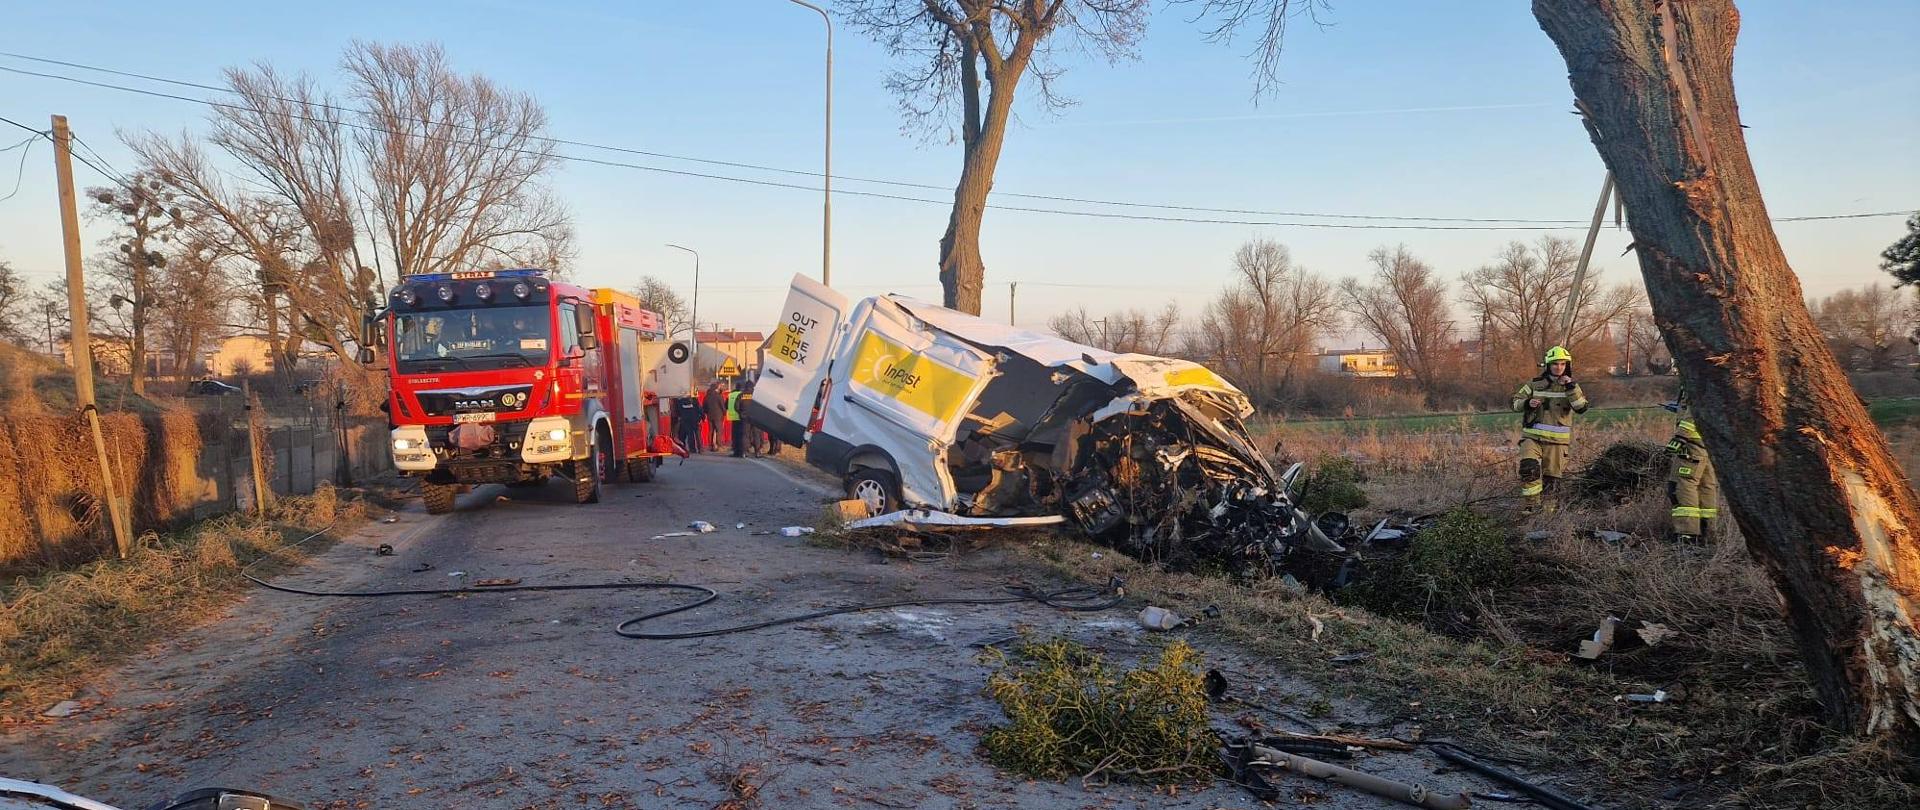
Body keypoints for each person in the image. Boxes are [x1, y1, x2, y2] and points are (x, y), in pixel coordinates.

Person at [1512, 345, 1588, 513]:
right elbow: (1515, 402)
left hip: (1557, 442)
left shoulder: (1572, 387)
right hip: (1532, 438)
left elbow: (1581, 408)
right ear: (1548, 365)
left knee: (1552, 481)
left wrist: (1570, 387)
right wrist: (1527, 403)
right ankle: (1531, 506)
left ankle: (1548, 514)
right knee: (1529, 468)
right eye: (1555, 364)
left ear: (1567, 365)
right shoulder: (1534, 384)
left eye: (1562, 364)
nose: (1558, 367)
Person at [1664, 391, 1719, 542]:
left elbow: (1694, 410)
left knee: (1683, 485)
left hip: (1692, 445)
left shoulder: (1694, 382)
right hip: (1707, 444)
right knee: (1706, 487)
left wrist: (1680, 437)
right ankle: (1708, 530)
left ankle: (1687, 533)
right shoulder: (1711, 383)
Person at [704, 381, 728, 453]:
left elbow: (704, 407)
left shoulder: (707, 396)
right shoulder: (718, 396)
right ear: (716, 388)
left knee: (711, 431)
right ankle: (719, 445)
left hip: (710, 416)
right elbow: (722, 406)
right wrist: (724, 413)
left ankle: (711, 445)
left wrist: (706, 413)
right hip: (718, 416)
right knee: (719, 430)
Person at [726, 382, 748, 458]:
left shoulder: (730, 394)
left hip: (733, 418)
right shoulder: (743, 395)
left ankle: (736, 451)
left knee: (735, 436)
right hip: (741, 418)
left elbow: (726, 405)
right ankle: (742, 451)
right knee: (742, 435)